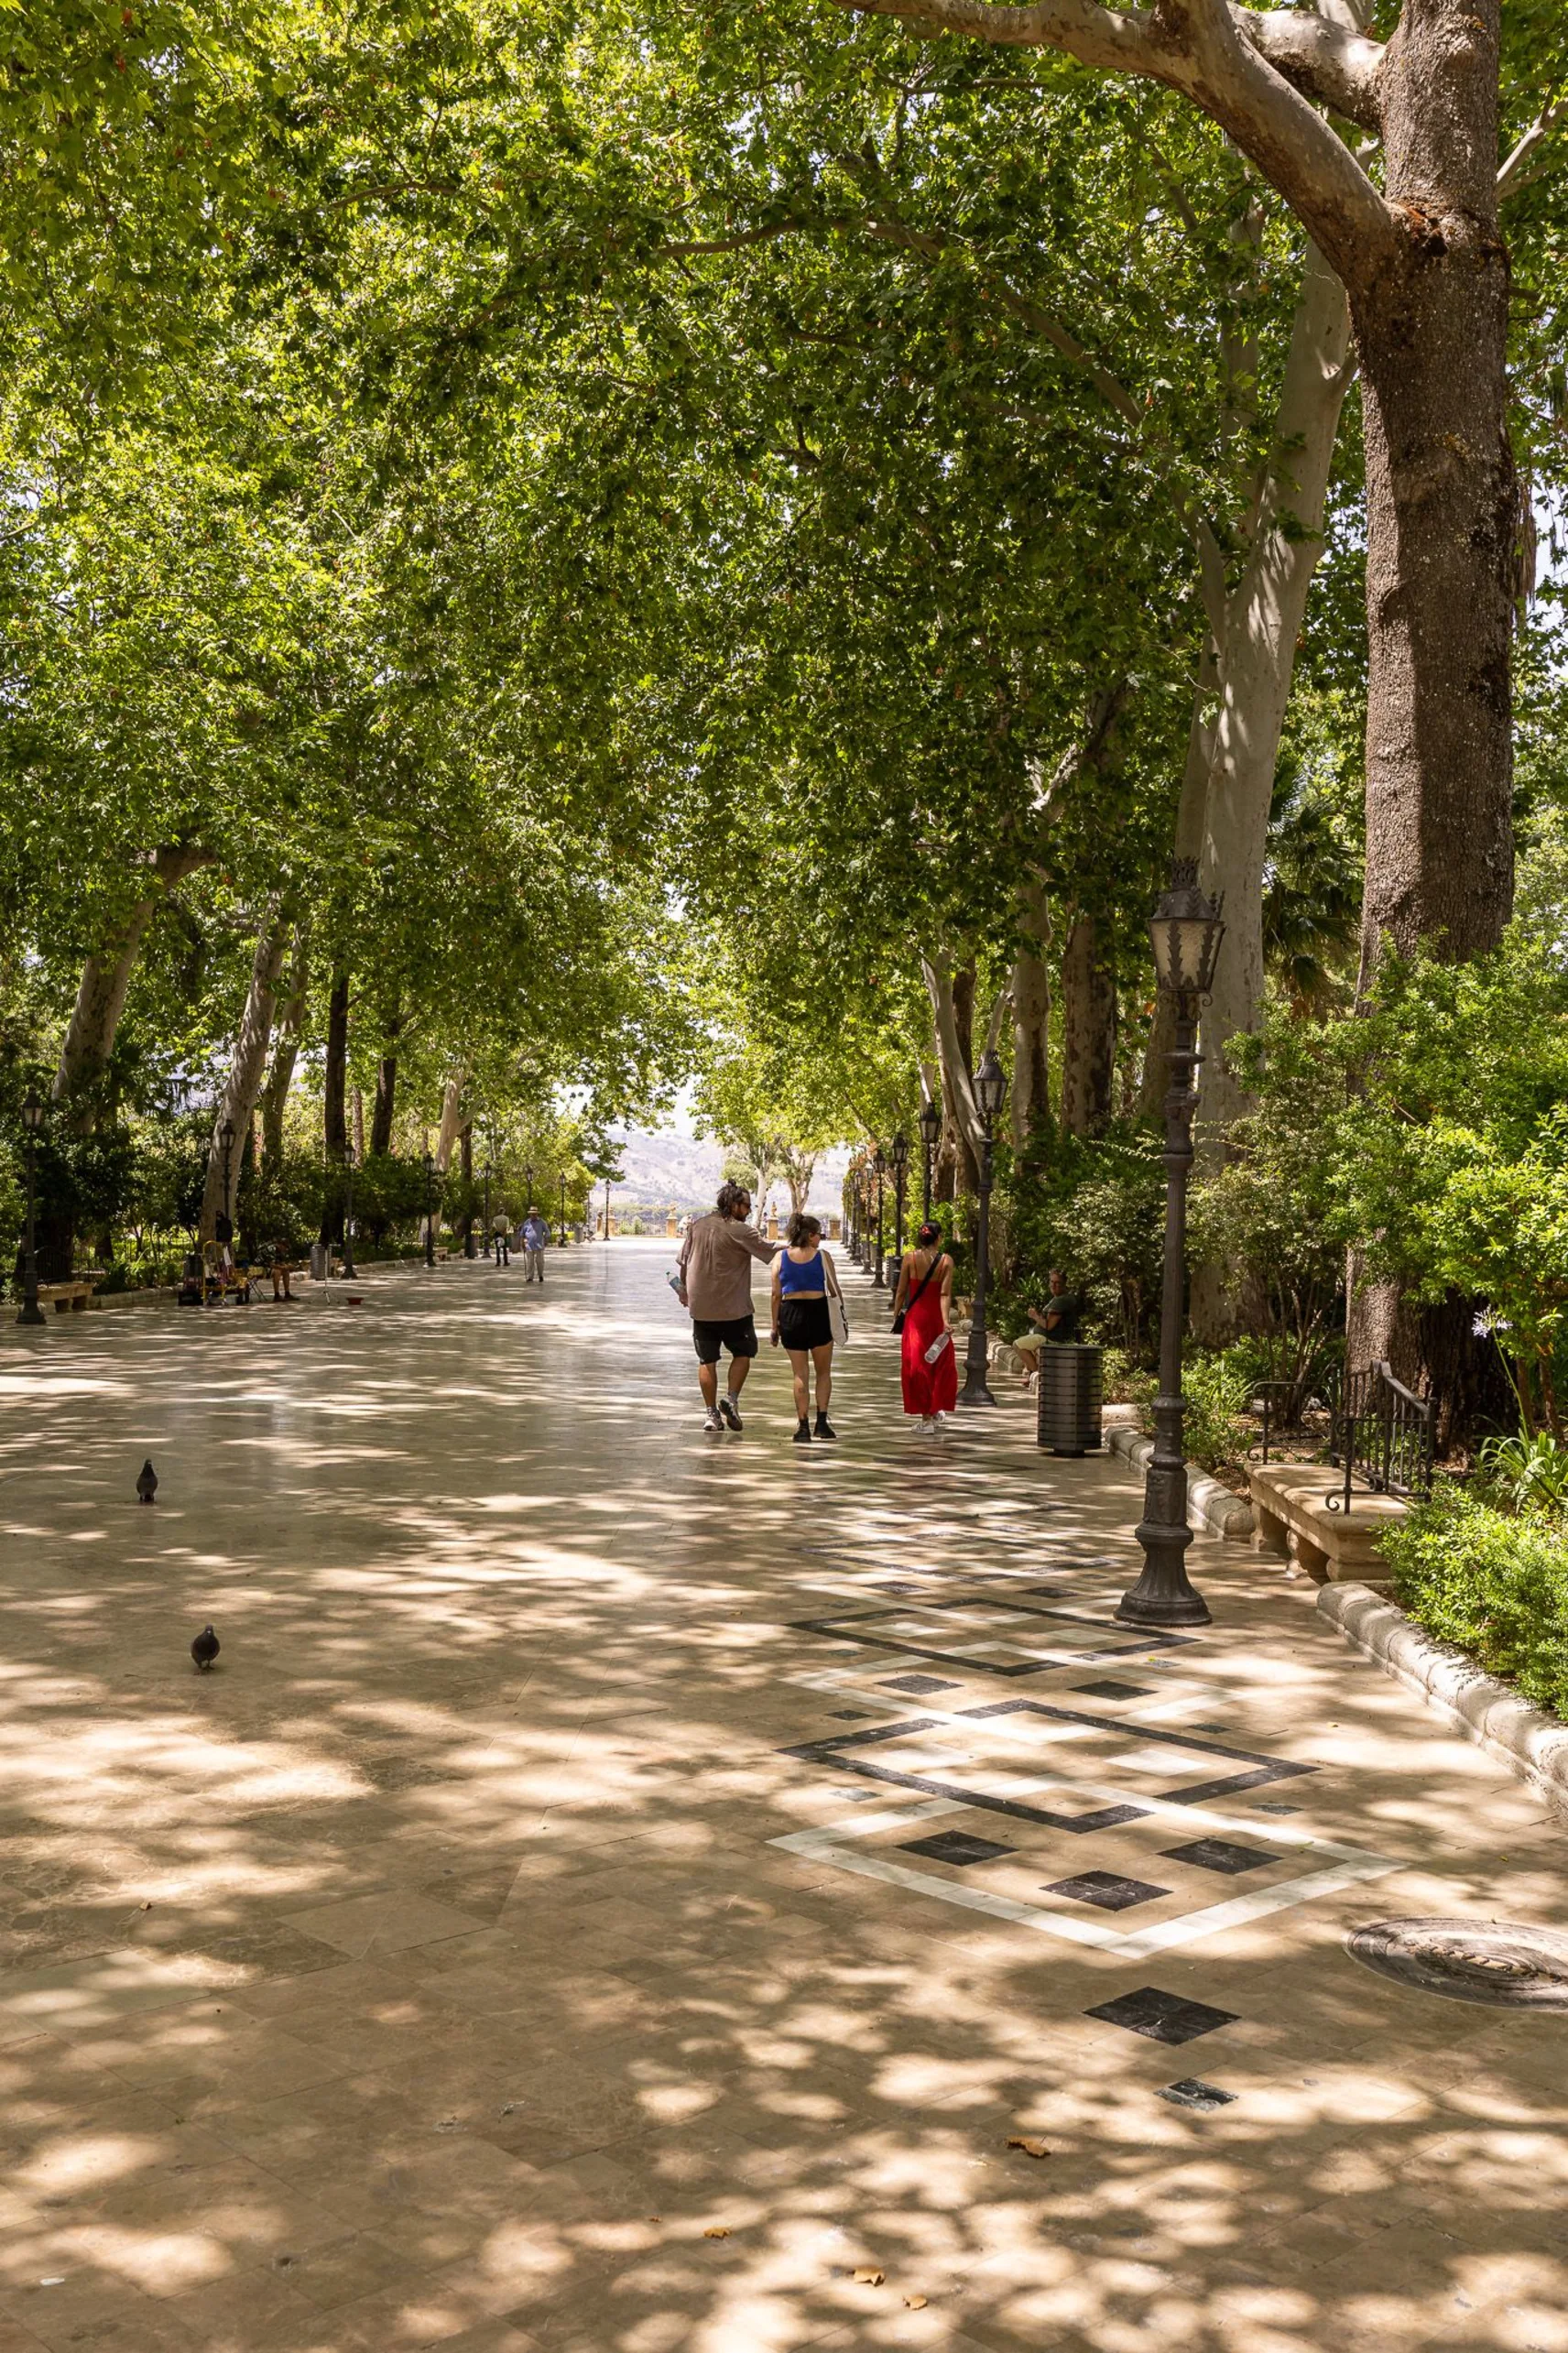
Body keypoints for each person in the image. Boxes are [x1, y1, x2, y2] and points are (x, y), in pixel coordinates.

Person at [675, 1180, 780, 1433]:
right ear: (733, 1205)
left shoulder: (697, 1226)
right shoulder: (742, 1231)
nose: (748, 1211)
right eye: (746, 1206)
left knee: (706, 1360)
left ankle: (711, 1414)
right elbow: (770, 1250)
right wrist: (802, 1247)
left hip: (701, 1309)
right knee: (743, 1354)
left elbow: (683, 1262)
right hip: (734, 1308)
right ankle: (731, 1400)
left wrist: (684, 1291)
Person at [769, 1212, 841, 1443]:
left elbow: (775, 1295)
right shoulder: (823, 1257)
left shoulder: (780, 1258)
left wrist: (774, 1326)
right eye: (818, 1234)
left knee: (800, 1374)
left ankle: (803, 1427)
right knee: (823, 1372)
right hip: (819, 1314)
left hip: (791, 1316)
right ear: (810, 1236)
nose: (820, 1238)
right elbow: (834, 1290)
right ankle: (822, 1423)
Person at [892, 1220, 957, 1433]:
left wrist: (897, 1315)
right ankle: (936, 1408)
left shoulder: (910, 1258)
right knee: (939, 1363)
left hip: (916, 1319)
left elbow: (901, 1291)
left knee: (918, 1365)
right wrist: (946, 1321)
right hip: (936, 1319)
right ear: (938, 1238)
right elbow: (945, 1294)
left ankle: (927, 1418)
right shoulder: (947, 1261)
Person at [522, 1205, 549, 1282]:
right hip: (529, 1246)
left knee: (540, 1262)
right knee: (530, 1262)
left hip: (539, 1245)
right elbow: (522, 1233)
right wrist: (522, 1243)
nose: (533, 1215)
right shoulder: (527, 1222)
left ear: (537, 1214)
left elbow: (547, 1232)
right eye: (532, 1214)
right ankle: (530, 1277)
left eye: (535, 1214)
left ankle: (540, 1275)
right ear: (530, 1214)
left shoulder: (542, 1222)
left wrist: (546, 1239)